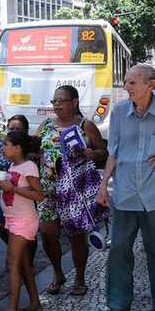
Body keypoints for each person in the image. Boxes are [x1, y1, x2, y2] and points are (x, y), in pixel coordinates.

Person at [97, 64, 155, 311]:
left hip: (154, 196)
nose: (127, 87)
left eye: (132, 82)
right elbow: (114, 152)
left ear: (150, 85)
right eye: (127, 82)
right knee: (119, 250)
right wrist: (103, 185)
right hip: (125, 194)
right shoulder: (120, 112)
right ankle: (119, 305)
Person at [37, 85, 108, 296]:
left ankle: (79, 276)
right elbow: (34, 149)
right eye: (54, 101)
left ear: (74, 102)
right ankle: (58, 273)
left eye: (61, 101)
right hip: (49, 191)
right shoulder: (46, 126)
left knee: (77, 237)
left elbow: (103, 152)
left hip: (76, 193)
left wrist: (91, 154)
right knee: (48, 234)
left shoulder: (86, 126)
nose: (56, 105)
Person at [0, 131, 44, 311]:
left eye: (6, 145)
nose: (3, 148)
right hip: (14, 219)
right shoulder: (14, 165)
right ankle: (34, 302)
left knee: (12, 264)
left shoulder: (29, 166)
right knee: (23, 264)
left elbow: (39, 195)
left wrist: (11, 188)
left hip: (23, 221)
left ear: (17, 148)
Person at [0, 115, 38, 266]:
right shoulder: (1, 143)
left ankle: (26, 261)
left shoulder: (29, 149)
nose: (13, 131)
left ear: (25, 131)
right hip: (0, 191)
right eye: (10, 128)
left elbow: (38, 190)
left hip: (22, 195)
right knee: (1, 226)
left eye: (17, 129)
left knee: (27, 232)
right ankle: (17, 251)